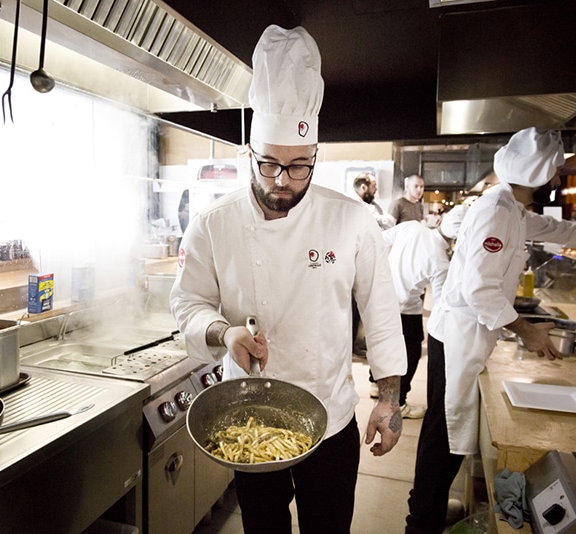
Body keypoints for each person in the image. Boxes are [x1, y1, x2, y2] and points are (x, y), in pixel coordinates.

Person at [169, 25, 407, 534]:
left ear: (316, 156)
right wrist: (224, 332)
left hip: (332, 418)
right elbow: (188, 305)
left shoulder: (351, 220)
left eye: (299, 167)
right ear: (250, 152)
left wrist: (389, 400)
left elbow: (383, 314)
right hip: (247, 417)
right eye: (271, 164)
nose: (283, 182)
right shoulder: (214, 223)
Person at [405, 127, 576, 534]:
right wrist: (526, 331)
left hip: (468, 334)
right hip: (459, 336)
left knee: (445, 433)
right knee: (443, 434)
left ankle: (427, 512)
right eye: (554, 173)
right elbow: (478, 289)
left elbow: (556, 231)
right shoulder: (496, 210)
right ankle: (421, 523)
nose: (556, 182)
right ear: (538, 172)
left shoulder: (512, 208)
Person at [366, 205, 468, 420]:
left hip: (381, 298)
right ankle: (399, 402)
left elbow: (379, 239)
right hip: (407, 309)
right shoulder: (441, 262)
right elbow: (442, 303)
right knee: (409, 355)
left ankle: (377, 385)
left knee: (381, 344)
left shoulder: (411, 227)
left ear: (440, 222)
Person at [351, 172, 395, 356]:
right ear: (363, 187)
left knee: (365, 308)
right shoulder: (353, 206)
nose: (375, 191)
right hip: (353, 264)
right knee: (352, 310)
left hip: (371, 260)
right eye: (374, 187)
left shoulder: (372, 206)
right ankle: (352, 345)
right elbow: (383, 222)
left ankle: (359, 343)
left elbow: (390, 222)